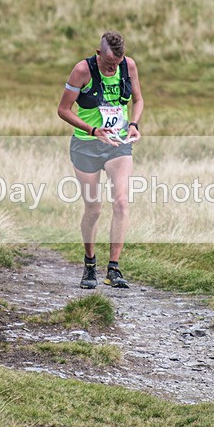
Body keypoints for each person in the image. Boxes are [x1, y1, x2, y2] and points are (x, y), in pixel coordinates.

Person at [57, 31, 144, 289]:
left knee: (121, 202)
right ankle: (89, 265)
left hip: (117, 145)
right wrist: (93, 131)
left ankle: (114, 269)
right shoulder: (82, 70)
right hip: (86, 146)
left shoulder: (129, 66)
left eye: (116, 64)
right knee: (94, 209)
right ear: (98, 54)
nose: (112, 69)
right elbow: (63, 110)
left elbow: (138, 100)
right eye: (108, 64)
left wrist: (134, 124)